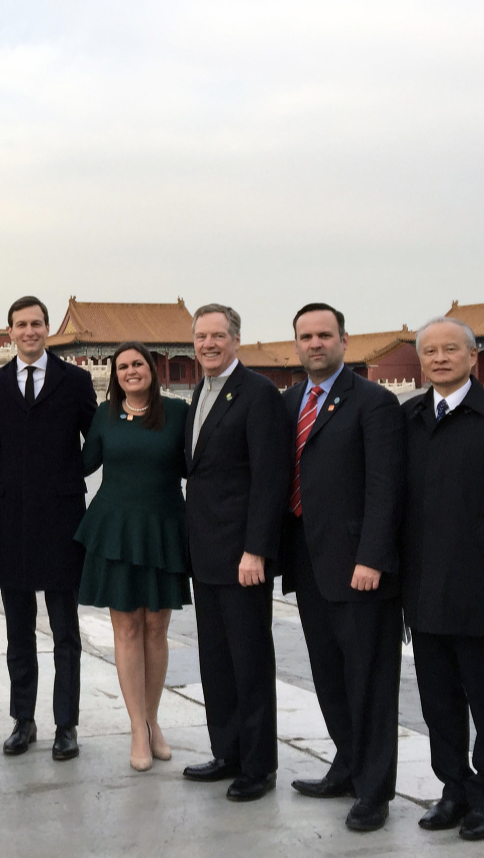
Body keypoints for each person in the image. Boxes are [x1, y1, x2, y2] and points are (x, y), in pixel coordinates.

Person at [401, 318, 484, 840]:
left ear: (474, 356)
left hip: (482, 589)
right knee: (438, 701)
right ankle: (452, 788)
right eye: (429, 351)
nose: (439, 358)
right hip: (424, 589)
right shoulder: (408, 417)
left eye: (450, 349)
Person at [278, 303, 406, 833]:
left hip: (358, 567)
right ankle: (347, 764)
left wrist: (373, 557)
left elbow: (385, 486)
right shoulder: (287, 402)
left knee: (369, 680)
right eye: (306, 336)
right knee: (328, 675)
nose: (315, 344)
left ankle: (374, 791)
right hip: (308, 561)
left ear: (344, 341)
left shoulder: (374, 402)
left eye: (324, 335)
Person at [181, 305, 291, 801]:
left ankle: (258, 765)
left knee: (249, 661)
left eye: (217, 336)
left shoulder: (258, 394)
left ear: (236, 340)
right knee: (216, 660)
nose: (208, 344)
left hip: (242, 556)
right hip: (205, 552)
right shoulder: (198, 392)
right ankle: (226, 751)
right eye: (201, 336)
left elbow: (270, 480)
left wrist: (257, 551)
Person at [0, 296, 97, 761]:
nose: (29, 331)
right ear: (9, 331)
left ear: (48, 329)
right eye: (20, 325)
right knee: (18, 631)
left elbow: (98, 441)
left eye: (36, 323)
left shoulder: (75, 381)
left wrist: (71, 476)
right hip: (12, 522)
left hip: (62, 519)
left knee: (65, 631)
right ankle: (22, 720)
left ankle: (65, 725)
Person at [76, 342, 190, 771]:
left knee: (157, 627)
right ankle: (136, 728)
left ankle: (153, 719)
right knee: (126, 629)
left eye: (137, 364)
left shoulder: (177, 413)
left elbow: (198, 464)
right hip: (116, 530)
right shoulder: (104, 415)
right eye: (122, 367)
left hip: (162, 528)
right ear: (115, 375)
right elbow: (82, 465)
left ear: (152, 368)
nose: (130, 372)